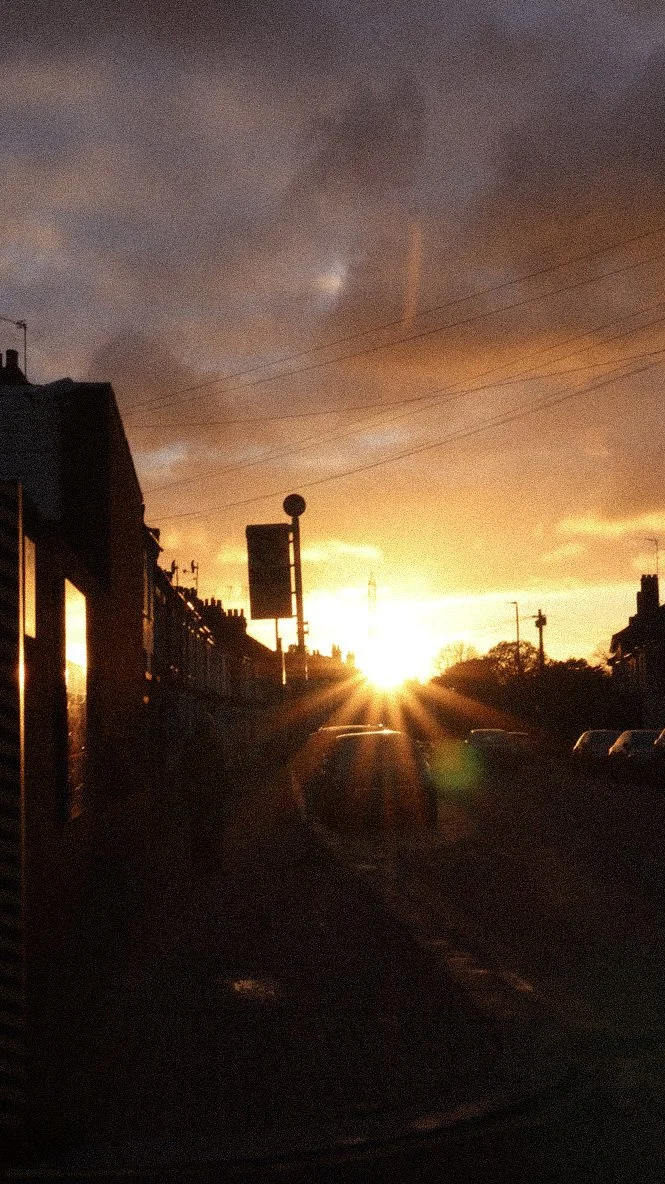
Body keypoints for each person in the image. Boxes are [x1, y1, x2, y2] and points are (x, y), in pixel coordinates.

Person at [181, 713, 226, 875]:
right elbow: (222, 771)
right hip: (208, 795)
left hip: (199, 795)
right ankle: (211, 862)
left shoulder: (192, 746)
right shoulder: (214, 745)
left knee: (200, 829)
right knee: (211, 829)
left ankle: (201, 862)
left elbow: (184, 771)